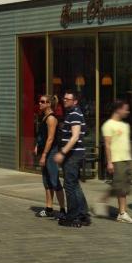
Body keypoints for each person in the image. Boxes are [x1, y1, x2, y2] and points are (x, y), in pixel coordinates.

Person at [53, 90, 90, 228]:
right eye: (64, 98)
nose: (65, 101)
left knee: (69, 185)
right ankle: (83, 214)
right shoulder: (74, 113)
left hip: (72, 155)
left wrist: (62, 152)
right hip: (74, 154)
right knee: (74, 185)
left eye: (68, 99)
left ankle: (73, 217)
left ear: (75, 101)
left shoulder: (74, 114)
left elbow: (74, 137)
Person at [101, 99, 132, 223]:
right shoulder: (108, 125)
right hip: (117, 160)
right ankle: (122, 213)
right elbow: (107, 144)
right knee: (121, 188)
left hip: (126, 159)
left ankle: (103, 201)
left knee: (124, 187)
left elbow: (127, 144)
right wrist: (109, 162)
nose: (127, 111)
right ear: (118, 109)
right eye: (125, 109)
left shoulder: (125, 125)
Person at [34, 94, 65, 219]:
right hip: (44, 151)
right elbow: (43, 135)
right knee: (47, 182)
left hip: (50, 153)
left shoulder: (51, 118)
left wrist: (45, 155)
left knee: (54, 181)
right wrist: (37, 146)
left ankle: (63, 210)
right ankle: (49, 208)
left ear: (48, 104)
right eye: (40, 101)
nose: (40, 103)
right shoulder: (44, 117)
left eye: (42, 101)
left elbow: (51, 138)